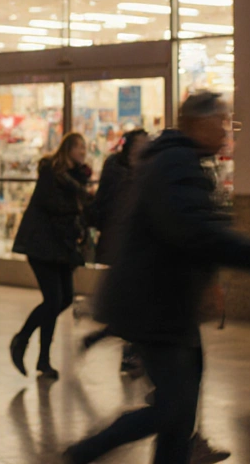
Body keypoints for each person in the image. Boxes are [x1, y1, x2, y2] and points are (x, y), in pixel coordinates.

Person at [63, 92, 250, 464]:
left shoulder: (182, 161)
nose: (227, 130)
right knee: (172, 408)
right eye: (222, 121)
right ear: (199, 123)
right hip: (154, 305)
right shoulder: (175, 164)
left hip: (166, 303)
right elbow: (197, 233)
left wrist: (211, 280)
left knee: (180, 410)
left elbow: (193, 235)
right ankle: (81, 453)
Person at [9, 131, 92, 379]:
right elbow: (53, 205)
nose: (83, 153)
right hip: (42, 245)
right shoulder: (51, 172)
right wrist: (79, 204)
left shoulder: (77, 178)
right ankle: (24, 342)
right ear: (68, 149)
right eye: (80, 148)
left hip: (62, 247)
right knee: (53, 300)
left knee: (64, 298)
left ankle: (41, 356)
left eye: (85, 149)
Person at [80, 129, 149, 376]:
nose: (142, 147)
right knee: (131, 305)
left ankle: (107, 342)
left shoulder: (147, 170)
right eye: (139, 143)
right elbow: (103, 202)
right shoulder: (116, 168)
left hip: (136, 246)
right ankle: (119, 348)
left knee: (133, 305)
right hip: (118, 242)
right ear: (129, 146)